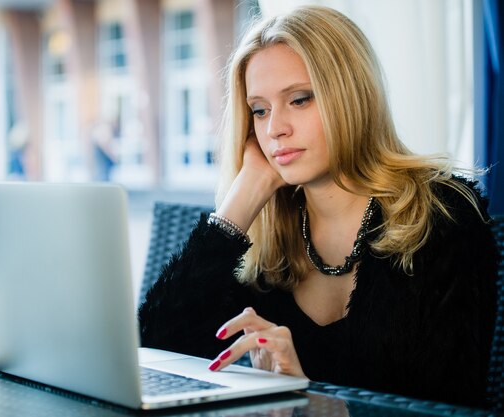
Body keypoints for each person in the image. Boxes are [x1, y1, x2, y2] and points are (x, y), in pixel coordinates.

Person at [138, 5, 498, 409]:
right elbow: (155, 356)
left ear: (351, 96)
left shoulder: (441, 215)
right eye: (259, 110)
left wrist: (310, 397)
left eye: (300, 99)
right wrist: (242, 199)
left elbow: (448, 403)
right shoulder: (267, 230)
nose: (275, 128)